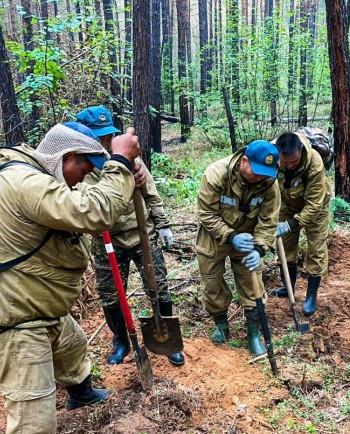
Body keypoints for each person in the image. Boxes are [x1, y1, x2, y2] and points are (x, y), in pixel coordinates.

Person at [0, 121, 143, 434]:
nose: (85, 177)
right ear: (66, 158)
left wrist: (121, 174)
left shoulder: (38, 175)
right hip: (16, 317)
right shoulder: (23, 182)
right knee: (34, 411)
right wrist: (118, 161)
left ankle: (81, 392)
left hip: (39, 306)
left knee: (72, 346)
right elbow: (92, 209)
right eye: (84, 168)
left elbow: (82, 192)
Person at [76, 106, 183, 367]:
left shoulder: (126, 155)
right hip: (107, 238)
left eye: (106, 135)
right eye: (97, 136)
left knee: (157, 286)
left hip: (142, 234)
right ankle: (121, 340)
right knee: (110, 294)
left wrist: (163, 224)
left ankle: (165, 337)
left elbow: (150, 191)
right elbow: (87, 204)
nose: (103, 141)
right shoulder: (80, 164)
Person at [196, 140, 281, 355]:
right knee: (212, 282)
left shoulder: (269, 183)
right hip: (214, 236)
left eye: (266, 173)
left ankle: (253, 333)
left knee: (252, 282)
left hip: (249, 238)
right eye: (257, 171)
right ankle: (221, 324)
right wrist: (230, 235)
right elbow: (206, 213)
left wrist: (259, 249)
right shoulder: (216, 174)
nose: (261, 178)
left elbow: (269, 221)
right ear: (244, 161)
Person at [272, 131, 332, 316]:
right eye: (285, 162)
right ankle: (288, 287)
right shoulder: (271, 155)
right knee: (285, 246)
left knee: (316, 249)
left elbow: (314, 205)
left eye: (294, 162)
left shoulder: (314, 162)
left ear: (300, 152)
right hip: (286, 203)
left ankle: (311, 295)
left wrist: (291, 224)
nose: (289, 166)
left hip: (316, 206)